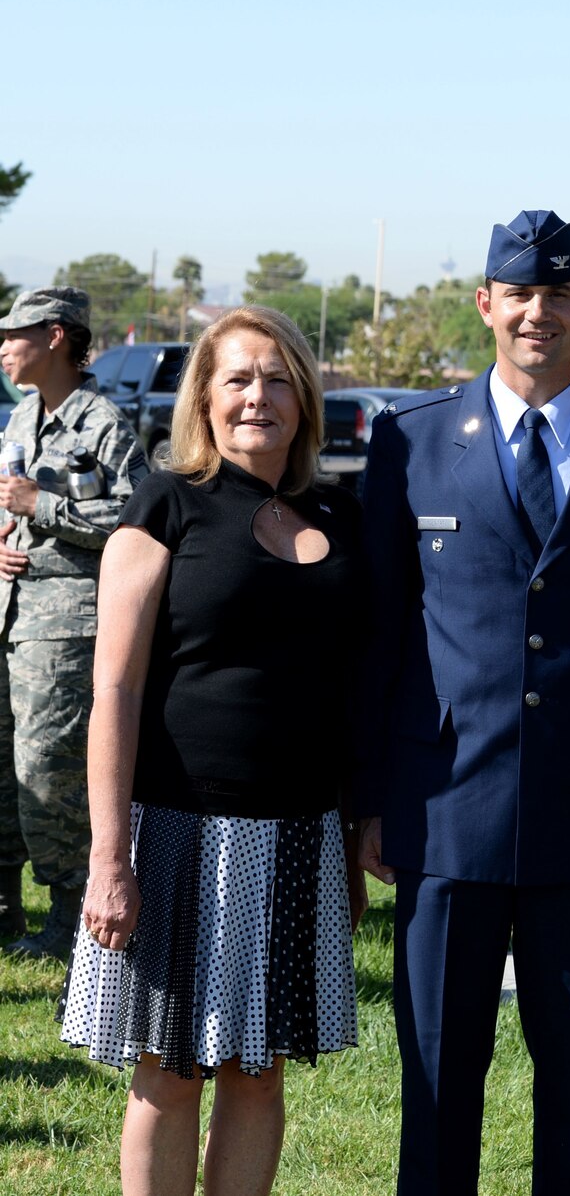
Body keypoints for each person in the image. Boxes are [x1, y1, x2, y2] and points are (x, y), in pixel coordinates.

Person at [354, 210, 570, 1196]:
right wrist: (368, 799)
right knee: (437, 1076)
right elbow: (382, 635)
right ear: (485, 304)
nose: (536, 312)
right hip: (442, 805)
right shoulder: (410, 445)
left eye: (558, 294)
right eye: (519, 293)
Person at [63, 305, 365, 1196]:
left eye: (276, 378)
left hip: (301, 834)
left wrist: (348, 841)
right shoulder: (166, 504)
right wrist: (108, 857)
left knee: (258, 1068)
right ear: (204, 396)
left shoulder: (340, 516)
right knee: (168, 1067)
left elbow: (347, 694)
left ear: (304, 398)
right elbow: (112, 690)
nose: (257, 397)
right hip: (177, 830)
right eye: (236, 378)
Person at [0, 286, 146, 955]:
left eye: (14, 335)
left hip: (67, 627)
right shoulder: (21, 418)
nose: (4, 349)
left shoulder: (103, 423)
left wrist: (44, 507)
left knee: (49, 772)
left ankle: (68, 920)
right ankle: (6, 907)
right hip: (11, 617)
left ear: (56, 336)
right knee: (8, 768)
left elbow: (136, 519)